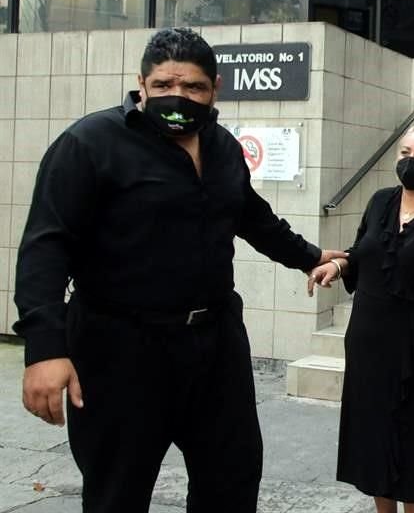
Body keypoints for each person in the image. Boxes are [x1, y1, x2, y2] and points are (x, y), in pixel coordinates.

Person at [14, 28, 345, 513]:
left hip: (216, 347)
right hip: (119, 350)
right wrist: (44, 350)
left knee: (231, 484)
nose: (178, 97)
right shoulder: (90, 143)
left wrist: (311, 256)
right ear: (141, 84)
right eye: (165, 84)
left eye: (192, 88)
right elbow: (46, 245)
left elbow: (251, 216)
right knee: (116, 495)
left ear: (215, 88)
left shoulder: (223, 147)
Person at [309, 121, 414, 513]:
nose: (410, 162)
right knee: (373, 438)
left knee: (413, 441)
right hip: (369, 345)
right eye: (405, 153)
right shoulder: (379, 201)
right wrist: (337, 268)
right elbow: (362, 254)